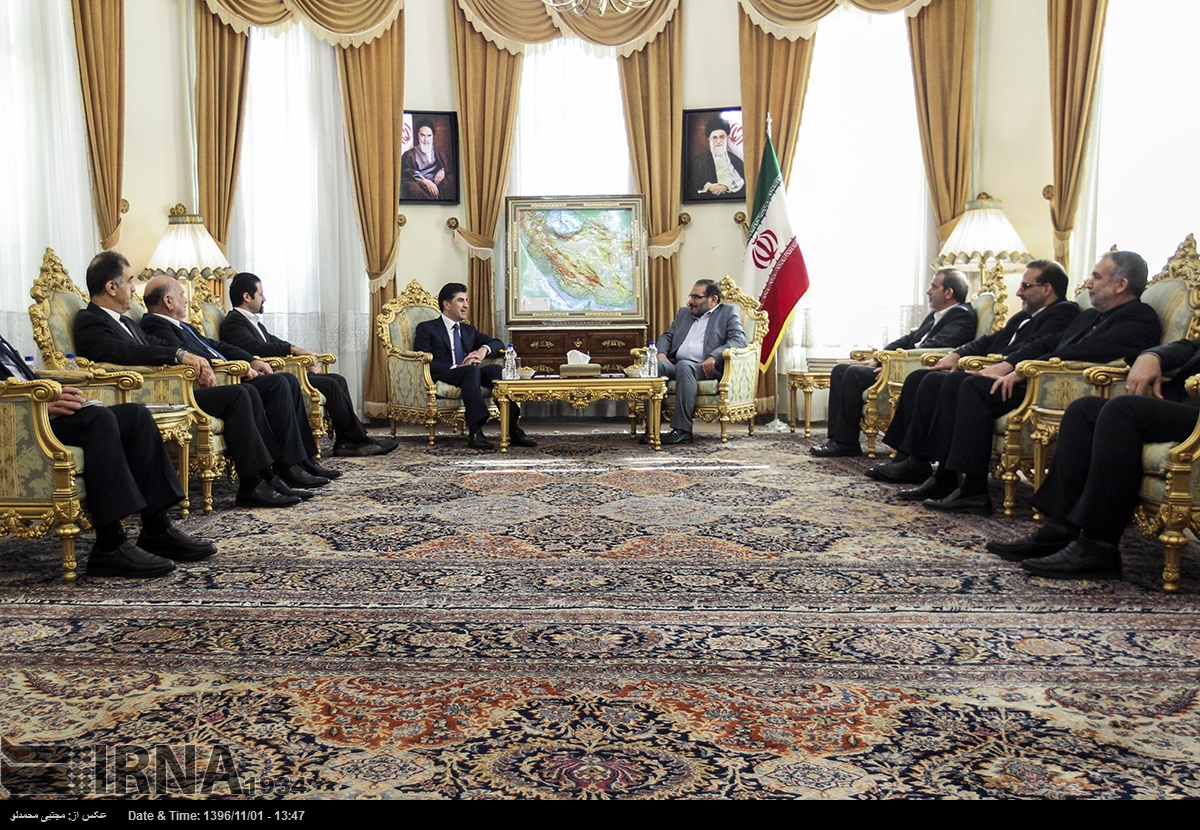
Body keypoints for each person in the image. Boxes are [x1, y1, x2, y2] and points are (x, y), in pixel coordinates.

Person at [916, 251, 1161, 515]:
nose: (1088, 283)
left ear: (1121, 284)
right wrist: (1011, 364)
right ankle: (945, 477)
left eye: (1096, 277)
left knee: (973, 387)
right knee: (958, 382)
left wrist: (1025, 369)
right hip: (1038, 380)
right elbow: (1049, 342)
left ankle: (974, 491)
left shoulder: (1139, 317)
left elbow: (1089, 349)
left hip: (1063, 391)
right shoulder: (1089, 316)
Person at [72, 251, 306, 508]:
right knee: (239, 394)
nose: (133, 288)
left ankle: (266, 476)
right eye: (129, 281)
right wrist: (180, 354)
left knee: (246, 392)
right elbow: (125, 352)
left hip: (170, 388)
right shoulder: (90, 321)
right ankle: (253, 484)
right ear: (111, 287)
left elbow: (156, 343)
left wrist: (190, 355)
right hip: (154, 393)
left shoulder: (128, 322)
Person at [0, 332, 215, 578]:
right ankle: (110, 545)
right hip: (17, 424)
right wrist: (35, 403)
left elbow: (23, 379)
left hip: (38, 416)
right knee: (99, 420)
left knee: (136, 415)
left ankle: (157, 529)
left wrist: (54, 393)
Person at [986, 336, 1200, 579]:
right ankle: (1060, 529)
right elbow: (1190, 345)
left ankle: (1098, 546)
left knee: (1123, 410)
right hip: (1187, 409)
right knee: (1083, 409)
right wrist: (1152, 356)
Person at [867, 261, 1079, 486]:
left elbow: (1039, 345)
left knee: (951, 382)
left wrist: (1007, 364)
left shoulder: (1064, 311)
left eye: (1025, 286)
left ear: (1047, 289)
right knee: (922, 377)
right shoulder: (1023, 316)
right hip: (994, 372)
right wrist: (959, 354)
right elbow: (989, 340)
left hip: (1019, 384)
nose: (1018, 292)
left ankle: (946, 477)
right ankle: (910, 458)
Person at [139, 275, 340, 496]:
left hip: (230, 377)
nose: (185, 299)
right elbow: (190, 355)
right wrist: (236, 367)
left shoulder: (183, 326)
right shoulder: (155, 325)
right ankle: (284, 468)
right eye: (181, 294)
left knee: (287, 382)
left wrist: (249, 360)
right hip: (204, 387)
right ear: (168, 301)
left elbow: (215, 345)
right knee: (275, 384)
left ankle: (300, 460)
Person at [220, 272, 396, 458]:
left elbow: (272, 341)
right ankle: (357, 439)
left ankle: (348, 440)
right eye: (261, 293)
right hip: (271, 378)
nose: (265, 298)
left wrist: (301, 356)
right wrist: (294, 350)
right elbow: (255, 348)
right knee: (331, 384)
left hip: (282, 371)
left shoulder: (253, 323)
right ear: (247, 297)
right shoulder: (234, 323)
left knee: (337, 379)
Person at [811, 269, 976, 458]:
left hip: (915, 369)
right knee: (841, 370)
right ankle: (837, 439)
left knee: (854, 374)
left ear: (949, 292)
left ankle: (845, 442)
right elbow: (909, 339)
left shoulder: (962, 315)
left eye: (934, 287)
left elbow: (937, 347)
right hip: (899, 363)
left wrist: (893, 364)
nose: (928, 292)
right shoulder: (934, 315)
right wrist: (879, 357)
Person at [412, 282, 535, 451]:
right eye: (461, 300)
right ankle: (476, 431)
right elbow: (423, 360)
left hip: (470, 373)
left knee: (496, 371)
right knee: (471, 370)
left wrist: (483, 351)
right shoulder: (427, 328)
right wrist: (457, 366)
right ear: (446, 304)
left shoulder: (469, 330)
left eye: (466, 300)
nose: (466, 305)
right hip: (445, 372)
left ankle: (512, 427)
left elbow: (497, 342)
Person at [647, 279, 747, 445]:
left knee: (685, 366)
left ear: (712, 300)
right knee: (653, 367)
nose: (690, 301)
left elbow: (738, 340)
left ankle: (682, 430)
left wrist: (715, 356)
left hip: (704, 368)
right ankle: (651, 430)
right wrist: (662, 354)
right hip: (675, 365)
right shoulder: (684, 313)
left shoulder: (728, 312)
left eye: (696, 297)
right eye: (691, 296)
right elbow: (667, 336)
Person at [689, 117, 745, 199]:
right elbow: (692, 184)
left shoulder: (736, 161)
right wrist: (709, 187)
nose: (718, 141)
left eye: (722, 137)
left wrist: (726, 186)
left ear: (726, 138)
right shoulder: (699, 162)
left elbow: (743, 182)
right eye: (715, 137)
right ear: (709, 139)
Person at [401, 119, 452, 201]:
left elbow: (449, 166)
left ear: (433, 136)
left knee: (449, 183)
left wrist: (442, 171)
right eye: (422, 135)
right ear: (417, 135)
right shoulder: (409, 154)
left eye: (429, 136)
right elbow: (407, 171)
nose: (426, 139)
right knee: (412, 188)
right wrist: (424, 181)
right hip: (419, 183)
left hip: (437, 182)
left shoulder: (439, 152)